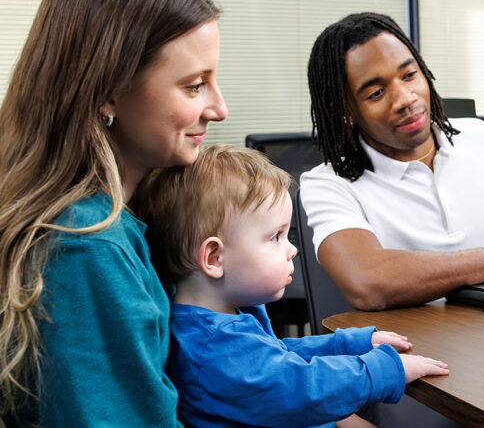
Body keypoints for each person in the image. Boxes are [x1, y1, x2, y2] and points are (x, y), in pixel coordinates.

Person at [0, 0, 227, 426]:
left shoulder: (118, 217)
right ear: (108, 92)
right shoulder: (86, 244)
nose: (218, 108)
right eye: (193, 86)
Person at [135, 145, 449, 428]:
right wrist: (384, 371)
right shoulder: (211, 346)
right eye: (275, 237)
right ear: (215, 257)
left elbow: (281, 354)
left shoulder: (218, 321)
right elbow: (301, 386)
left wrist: (348, 345)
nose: (292, 249)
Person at [300, 12, 484, 311]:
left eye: (409, 75)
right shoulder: (328, 184)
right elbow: (367, 283)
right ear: (346, 110)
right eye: (377, 92)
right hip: (414, 351)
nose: (406, 98)